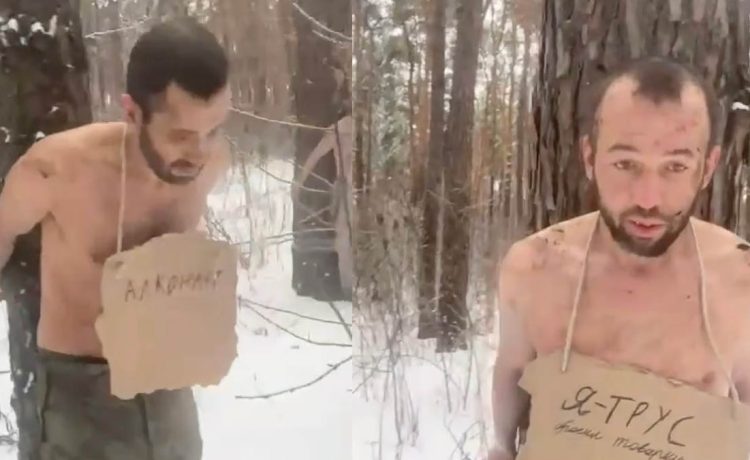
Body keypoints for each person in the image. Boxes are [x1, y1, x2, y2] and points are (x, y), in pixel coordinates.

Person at [489, 57, 750, 459]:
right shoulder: (534, 268)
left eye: (676, 166)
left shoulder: (741, 281)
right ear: (589, 158)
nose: (648, 199)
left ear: (707, 168)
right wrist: (500, 450)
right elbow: (511, 371)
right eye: (625, 164)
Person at [0, 18, 231, 459]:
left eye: (214, 129)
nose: (200, 152)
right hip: (80, 394)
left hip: (168, 384)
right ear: (132, 112)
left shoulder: (211, 164)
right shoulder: (57, 169)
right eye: (181, 135)